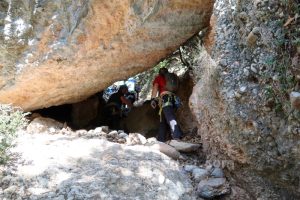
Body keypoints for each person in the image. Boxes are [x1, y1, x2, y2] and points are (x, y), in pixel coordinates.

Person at [150, 67, 183, 142]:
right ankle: (161, 139)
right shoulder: (172, 77)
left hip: (165, 98)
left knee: (169, 116)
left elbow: (155, 87)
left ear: (159, 73)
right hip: (173, 98)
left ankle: (177, 135)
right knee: (163, 120)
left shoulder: (158, 78)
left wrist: (152, 99)